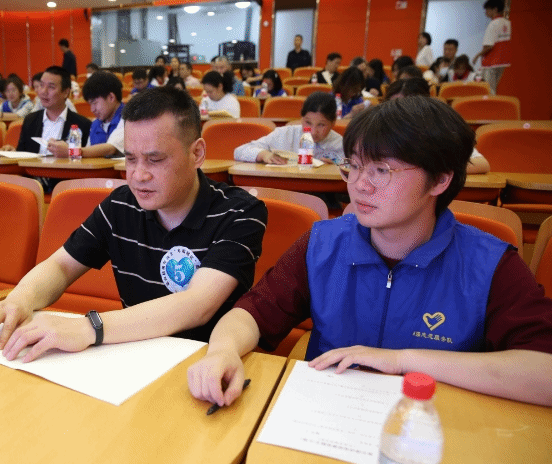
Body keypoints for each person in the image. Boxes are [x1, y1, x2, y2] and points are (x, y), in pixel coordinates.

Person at [189, 96, 552, 408]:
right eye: (354, 166)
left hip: (435, 430)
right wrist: (223, 350)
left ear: (440, 179)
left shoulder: (490, 264)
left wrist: (402, 361)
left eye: (381, 169)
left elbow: (544, 371)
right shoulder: (324, 243)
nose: (359, 185)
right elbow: (251, 314)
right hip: (327, 419)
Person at [0, 86, 267, 363]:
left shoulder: (241, 212)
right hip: (132, 358)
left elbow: (197, 304)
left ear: (197, 153)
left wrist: (89, 328)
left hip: (209, 363)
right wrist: (19, 300)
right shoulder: (121, 204)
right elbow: (61, 266)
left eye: (155, 160)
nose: (138, 175)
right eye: (131, 159)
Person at [384, 78, 490, 174]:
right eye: (393, 106)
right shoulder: (381, 131)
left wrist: (433, 169)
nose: (398, 113)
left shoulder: (441, 131)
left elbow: (482, 164)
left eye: (405, 107)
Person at [234, 91, 344, 164]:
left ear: (333, 122)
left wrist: (338, 167)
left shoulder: (340, 144)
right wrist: (263, 154)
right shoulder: (284, 134)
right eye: (308, 123)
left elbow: (351, 170)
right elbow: (239, 151)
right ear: (301, 119)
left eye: (321, 125)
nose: (313, 132)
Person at [14, 66, 92, 154]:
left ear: (66, 92)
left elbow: (85, 159)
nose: (43, 91)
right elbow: (21, 155)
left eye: (51, 87)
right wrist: (12, 151)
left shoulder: (83, 125)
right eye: (41, 85)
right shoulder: (30, 120)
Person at [47, 70, 124, 158]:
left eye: (94, 103)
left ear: (111, 97)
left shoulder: (129, 118)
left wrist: (71, 151)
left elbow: (111, 148)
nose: (92, 109)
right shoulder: (95, 123)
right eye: (90, 104)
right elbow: (88, 152)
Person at [472, 0, 511, 94]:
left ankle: (490, 103)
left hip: (491, 61)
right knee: (494, 88)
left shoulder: (493, 23)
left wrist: (477, 55)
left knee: (489, 89)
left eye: (487, 9)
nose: (486, 12)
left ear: (495, 9)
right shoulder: (507, 23)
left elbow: (489, 45)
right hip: (503, 60)